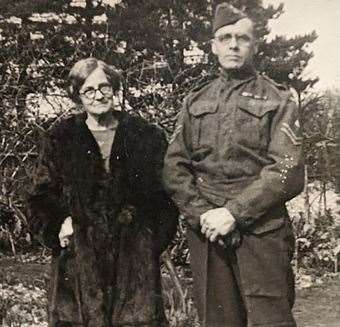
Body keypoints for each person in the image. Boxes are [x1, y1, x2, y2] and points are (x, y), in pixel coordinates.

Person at [163, 3, 304, 327]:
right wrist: (204, 216)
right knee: (217, 321)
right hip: (208, 233)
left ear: (255, 45)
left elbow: (287, 169)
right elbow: (174, 167)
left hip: (261, 232)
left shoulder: (278, 99)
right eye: (225, 37)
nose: (234, 44)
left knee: (271, 321)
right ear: (213, 46)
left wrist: (234, 213)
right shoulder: (195, 100)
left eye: (242, 38)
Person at [27, 58, 178, 327]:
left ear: (114, 89)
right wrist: (59, 224)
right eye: (89, 90)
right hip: (78, 263)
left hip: (135, 266)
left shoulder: (146, 135)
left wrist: (149, 242)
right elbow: (41, 195)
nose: (98, 96)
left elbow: (165, 196)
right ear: (78, 96)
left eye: (104, 87)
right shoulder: (60, 137)